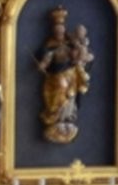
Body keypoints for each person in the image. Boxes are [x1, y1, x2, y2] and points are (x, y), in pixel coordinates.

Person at [35, 8, 89, 145]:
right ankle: (56, 118)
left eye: (61, 31)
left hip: (70, 73)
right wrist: (42, 65)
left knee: (71, 96)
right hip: (56, 74)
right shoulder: (50, 46)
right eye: (57, 32)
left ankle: (67, 117)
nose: (59, 34)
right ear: (54, 32)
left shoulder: (71, 44)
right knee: (59, 92)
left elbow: (82, 55)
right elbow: (46, 59)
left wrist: (80, 54)